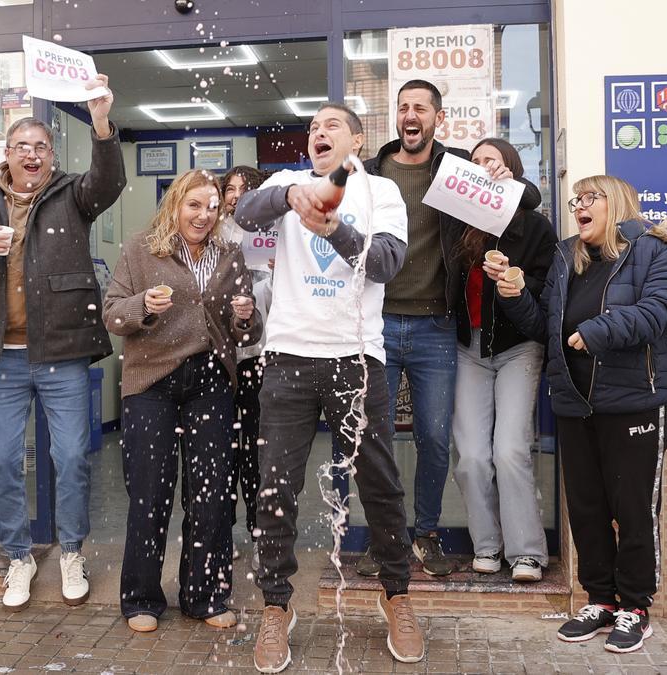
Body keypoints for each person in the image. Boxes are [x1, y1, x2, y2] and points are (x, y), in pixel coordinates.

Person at [235, 102, 423, 670]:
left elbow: (388, 262)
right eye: (313, 127)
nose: (318, 132)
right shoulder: (287, 181)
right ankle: (275, 606)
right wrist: (288, 197)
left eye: (331, 126)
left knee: (381, 485)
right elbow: (244, 212)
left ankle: (397, 597)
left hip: (356, 361)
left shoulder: (382, 193)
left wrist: (335, 227)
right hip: (289, 358)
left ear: (357, 142)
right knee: (276, 487)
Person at [0, 74, 126, 611]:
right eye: (23, 147)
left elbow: (108, 181)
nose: (33, 155)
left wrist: (102, 120)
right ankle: (18, 557)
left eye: (42, 147)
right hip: (1, 358)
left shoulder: (71, 195)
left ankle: (70, 551)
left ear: (50, 155)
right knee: (1, 463)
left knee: (71, 458)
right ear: (8, 154)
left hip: (61, 354)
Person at [496, 175, 667, 654]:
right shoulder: (568, 256)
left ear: (620, 204)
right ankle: (601, 599)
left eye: (591, 198)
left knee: (633, 508)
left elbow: (660, 312)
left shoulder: (656, 251)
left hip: (635, 399)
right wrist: (515, 296)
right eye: (576, 200)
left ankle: (636, 605)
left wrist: (598, 330)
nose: (579, 207)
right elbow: (544, 325)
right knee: (586, 508)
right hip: (574, 400)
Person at [357, 79, 542, 577]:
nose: (410, 115)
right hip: (376, 325)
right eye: (402, 108)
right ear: (395, 118)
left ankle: (426, 533)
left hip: (437, 328)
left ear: (438, 117)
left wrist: (507, 178)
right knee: (372, 436)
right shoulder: (371, 172)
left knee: (435, 440)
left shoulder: (456, 168)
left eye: (420, 107)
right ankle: (384, 537)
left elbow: (530, 198)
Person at [103, 168, 261, 633]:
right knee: (150, 494)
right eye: (194, 205)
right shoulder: (140, 248)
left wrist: (245, 319)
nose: (204, 214)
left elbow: (248, 331)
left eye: (212, 206)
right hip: (152, 383)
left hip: (212, 381)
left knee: (211, 495)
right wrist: (143, 307)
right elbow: (113, 314)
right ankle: (141, 599)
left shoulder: (229, 254)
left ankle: (205, 596)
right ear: (175, 205)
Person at [449, 138, 556, 582]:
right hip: (467, 348)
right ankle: (487, 547)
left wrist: (515, 280)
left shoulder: (535, 226)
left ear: (510, 168)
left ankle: (528, 552)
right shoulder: (457, 223)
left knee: (510, 449)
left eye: (491, 161)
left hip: (518, 348)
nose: (482, 167)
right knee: (472, 456)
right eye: (475, 162)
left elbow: (547, 288)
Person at [218, 165, 270, 569]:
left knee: (255, 449)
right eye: (229, 189)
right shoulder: (212, 235)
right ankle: (220, 529)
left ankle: (258, 526)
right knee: (219, 450)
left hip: (260, 357)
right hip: (220, 359)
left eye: (245, 188)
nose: (236, 195)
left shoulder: (274, 235)